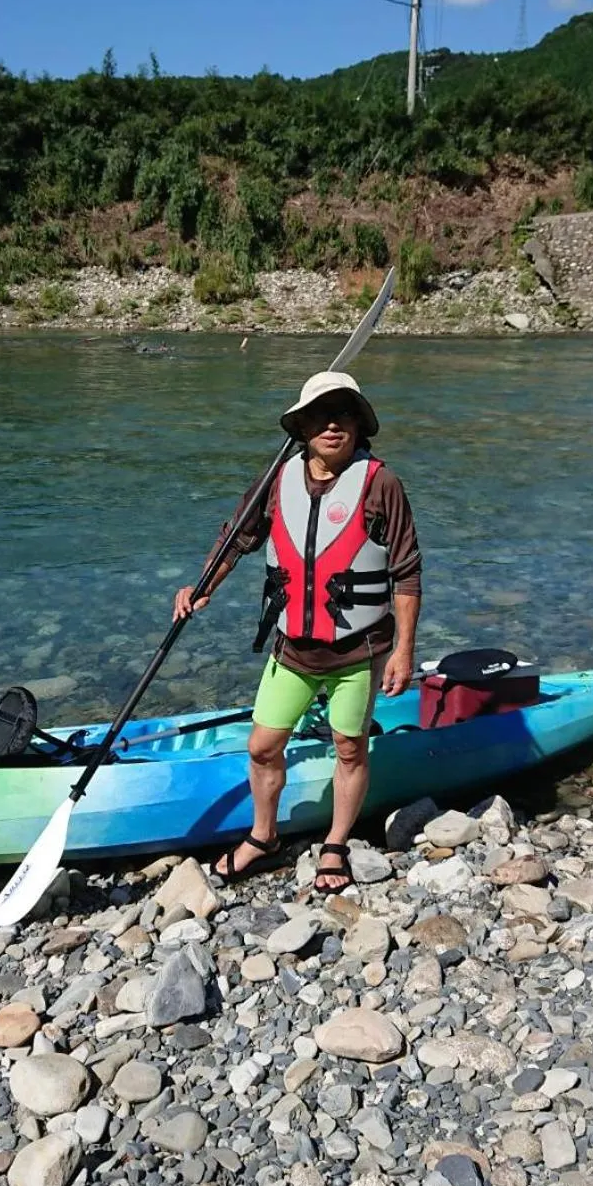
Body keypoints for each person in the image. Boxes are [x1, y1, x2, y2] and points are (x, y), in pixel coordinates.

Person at [173, 370, 422, 893]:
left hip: (359, 648)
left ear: (360, 424)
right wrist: (201, 588)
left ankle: (335, 844)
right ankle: (263, 837)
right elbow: (236, 540)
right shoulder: (275, 479)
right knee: (263, 746)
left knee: (349, 747)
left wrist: (403, 649)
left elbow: (406, 569)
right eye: (322, 415)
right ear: (302, 425)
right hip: (293, 648)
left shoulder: (381, 483)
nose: (335, 425)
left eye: (346, 414)